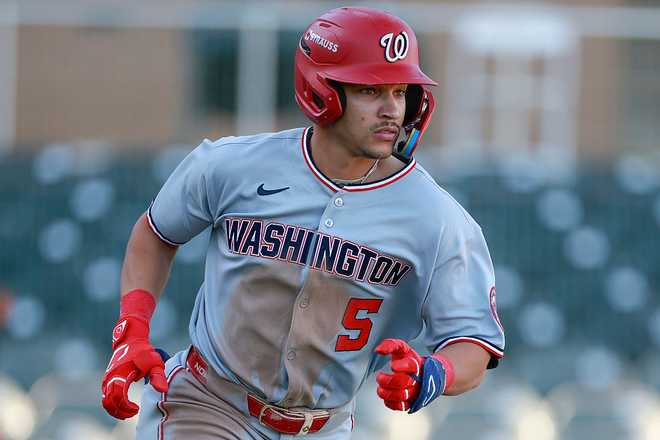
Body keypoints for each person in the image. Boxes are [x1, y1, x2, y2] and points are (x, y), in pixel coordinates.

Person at [101, 6, 505, 439]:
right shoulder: (232, 164)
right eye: (371, 90)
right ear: (322, 89)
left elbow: (472, 343)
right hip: (209, 403)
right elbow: (156, 234)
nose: (392, 109)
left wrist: (434, 373)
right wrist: (133, 328)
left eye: (400, 90)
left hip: (325, 425)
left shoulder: (437, 217)